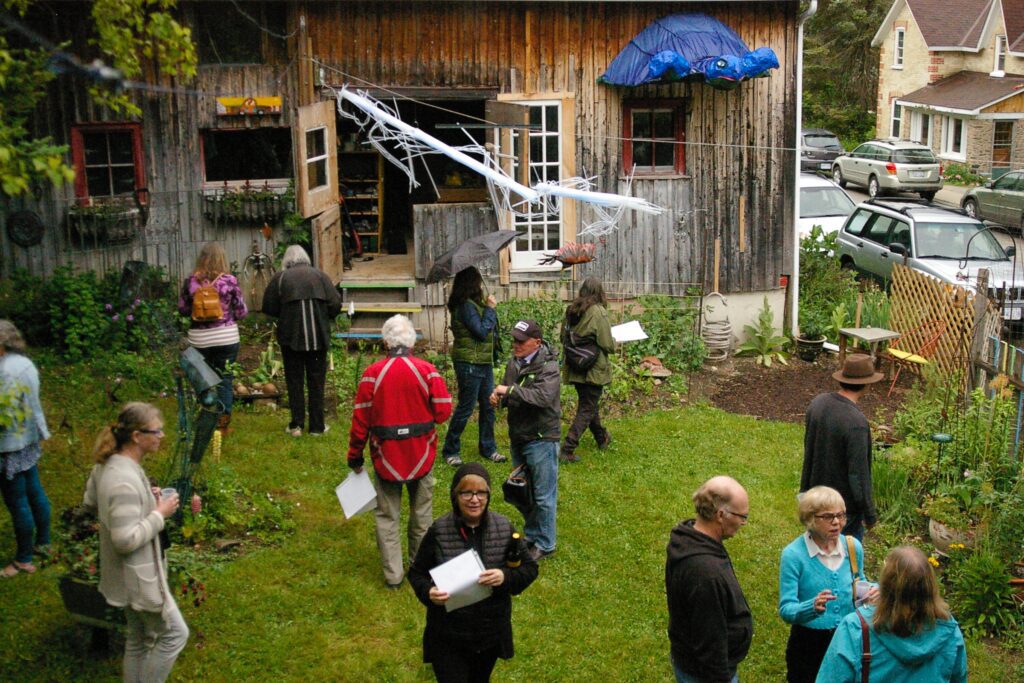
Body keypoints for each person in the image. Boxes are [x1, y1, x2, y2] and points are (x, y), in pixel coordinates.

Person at [83, 402, 188, 683]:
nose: (161, 436)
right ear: (137, 436)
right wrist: (158, 514)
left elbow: (91, 502)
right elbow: (124, 540)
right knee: (174, 635)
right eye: (156, 431)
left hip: (122, 576)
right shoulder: (124, 480)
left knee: (138, 638)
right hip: (140, 579)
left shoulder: (109, 465)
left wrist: (145, 499)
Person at [347, 315, 453, 588]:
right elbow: (442, 412)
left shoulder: (372, 374)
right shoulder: (427, 371)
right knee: (422, 514)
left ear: (385, 341)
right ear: (412, 342)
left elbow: (361, 421)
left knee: (386, 516)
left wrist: (355, 456)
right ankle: (420, 568)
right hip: (421, 455)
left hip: (386, 457)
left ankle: (393, 576)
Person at [408, 463, 538, 682]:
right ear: (455, 495)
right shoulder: (439, 531)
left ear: (488, 496)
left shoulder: (504, 528)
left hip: (489, 634)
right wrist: (429, 592)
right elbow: (416, 573)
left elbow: (529, 569)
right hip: (448, 636)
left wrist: (504, 577)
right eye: (466, 492)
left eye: (480, 493)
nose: (474, 499)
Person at [816, 546, 967, 683]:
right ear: (930, 585)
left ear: (886, 584)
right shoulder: (948, 629)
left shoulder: (857, 627)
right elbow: (959, 678)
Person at [779, 486, 876, 683]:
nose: (837, 522)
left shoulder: (852, 546)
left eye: (841, 515)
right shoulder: (794, 555)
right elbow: (786, 609)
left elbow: (860, 582)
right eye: (828, 517)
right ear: (810, 519)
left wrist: (873, 591)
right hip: (809, 644)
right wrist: (810, 607)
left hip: (848, 637)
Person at [666, 475, 753, 683]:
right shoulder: (706, 574)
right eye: (742, 516)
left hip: (689, 659)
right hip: (705, 674)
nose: (743, 522)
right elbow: (709, 645)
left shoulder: (689, 536)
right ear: (721, 514)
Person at [490, 320, 561, 562]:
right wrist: (498, 398)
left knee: (543, 496)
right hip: (519, 436)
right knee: (523, 491)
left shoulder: (549, 367)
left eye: (521, 341)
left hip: (542, 438)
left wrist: (508, 391)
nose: (515, 345)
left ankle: (546, 543)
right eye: (514, 340)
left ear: (537, 343)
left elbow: (542, 397)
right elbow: (511, 393)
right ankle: (532, 535)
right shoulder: (514, 363)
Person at [262, 245, 342, 437]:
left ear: (287, 261)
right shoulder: (320, 276)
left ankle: (296, 425)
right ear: (306, 259)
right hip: (318, 338)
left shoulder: (280, 278)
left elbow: (269, 307)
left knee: (294, 380)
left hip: (291, 339)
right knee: (316, 381)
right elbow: (336, 305)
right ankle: (317, 427)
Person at [801, 354, 883, 540]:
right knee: (846, 562)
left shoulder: (818, 404)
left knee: (816, 553)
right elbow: (858, 475)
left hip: (815, 499)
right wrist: (870, 515)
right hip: (842, 512)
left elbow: (810, 448)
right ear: (867, 384)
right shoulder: (856, 423)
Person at [177, 241, 248, 434]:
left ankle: (206, 418)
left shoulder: (191, 282)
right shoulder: (230, 281)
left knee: (204, 380)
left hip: (199, 340)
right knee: (225, 379)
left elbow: (182, 310)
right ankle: (222, 425)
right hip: (226, 337)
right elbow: (242, 312)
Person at [0, 320, 51, 578]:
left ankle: (24, 559)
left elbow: (4, 413)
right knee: (34, 490)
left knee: (17, 500)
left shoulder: (5, 372)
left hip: (10, 444)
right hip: (29, 437)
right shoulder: (25, 364)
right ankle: (44, 542)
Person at [441, 267, 505, 467]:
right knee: (466, 407)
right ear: (472, 284)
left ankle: (488, 448)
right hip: (469, 363)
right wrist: (490, 309)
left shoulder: (471, 305)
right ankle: (450, 450)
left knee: (489, 406)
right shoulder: (466, 307)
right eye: (478, 282)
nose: (480, 286)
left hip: (482, 362)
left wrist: (487, 309)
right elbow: (481, 332)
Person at [559, 276, 615, 463]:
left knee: (589, 405)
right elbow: (607, 344)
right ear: (599, 292)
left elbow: (563, 338)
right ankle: (567, 449)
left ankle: (602, 438)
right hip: (593, 369)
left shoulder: (571, 310)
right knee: (586, 409)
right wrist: (615, 342)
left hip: (576, 366)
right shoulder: (598, 312)